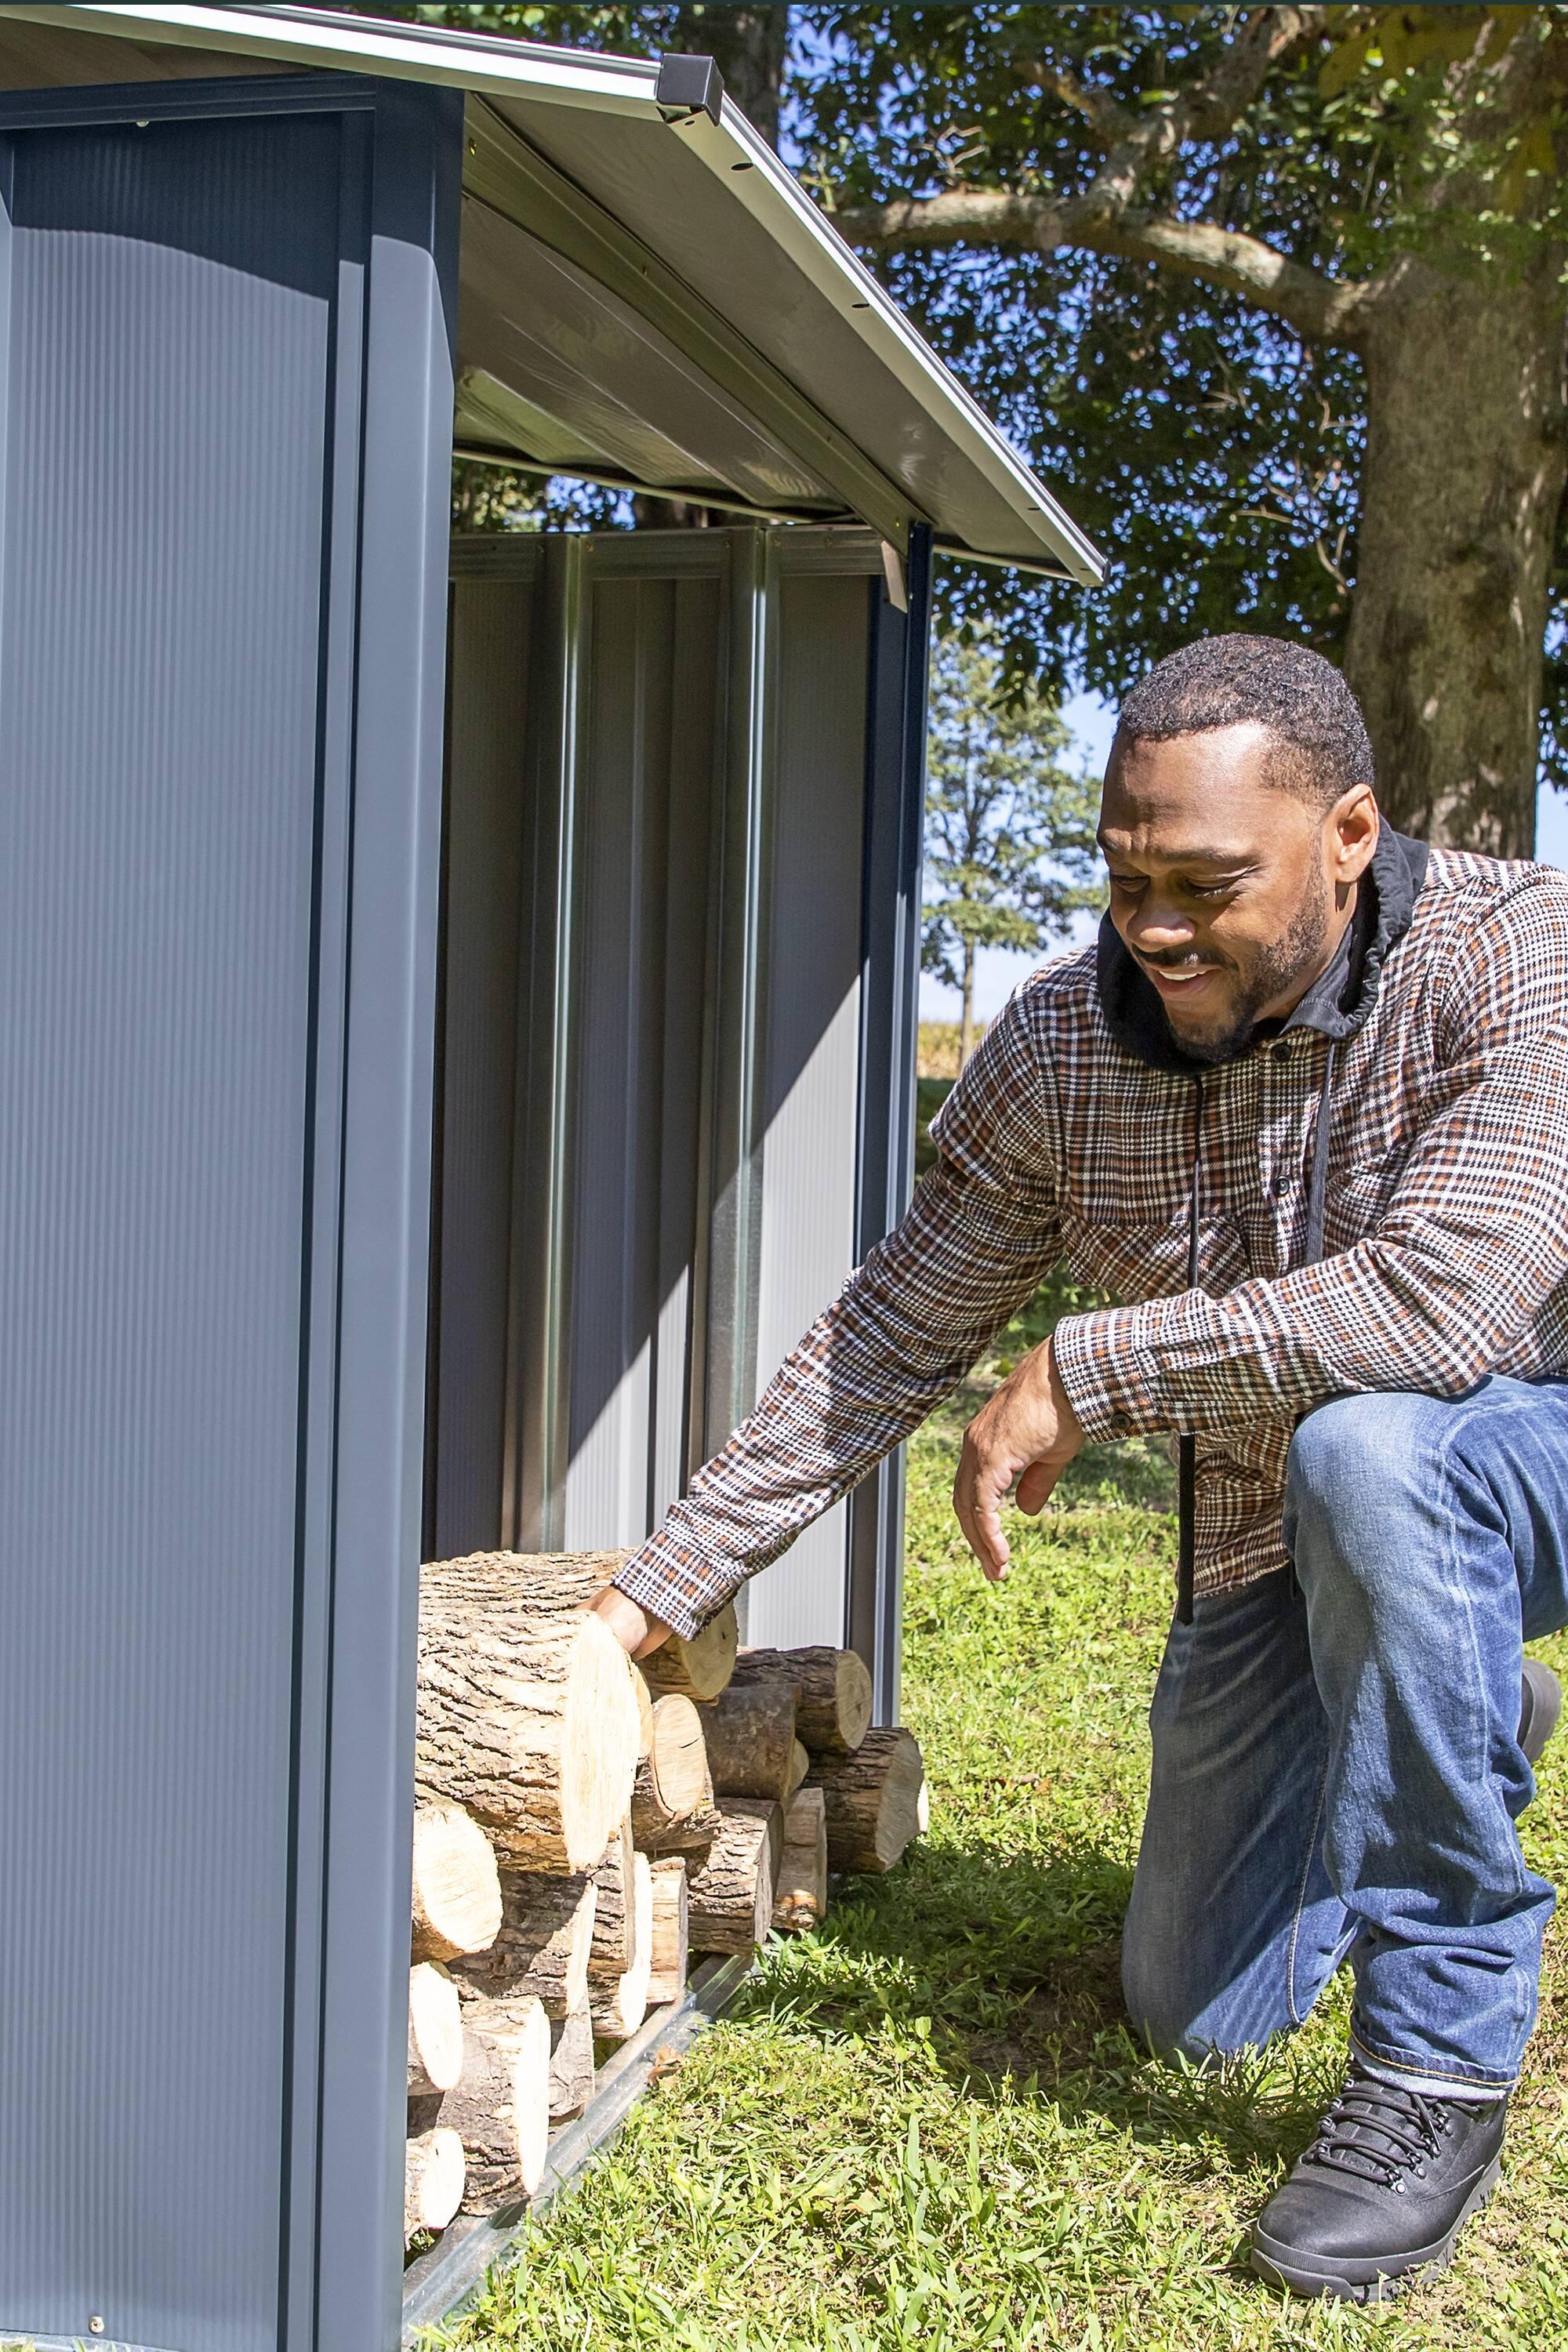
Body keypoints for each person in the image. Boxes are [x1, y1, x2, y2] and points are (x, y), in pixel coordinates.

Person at [590, 633, 1568, 2303]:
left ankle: (1438, 2057)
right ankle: (1430, 1698)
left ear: (1347, 832)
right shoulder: (1059, 1048)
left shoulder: (1520, 956)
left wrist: (1090, 1364)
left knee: (1373, 1447)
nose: (1157, 928)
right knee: (1193, 2007)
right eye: (1126, 879)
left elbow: (1444, 1300)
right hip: (1275, 1532)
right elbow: (887, 1336)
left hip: (1517, 1456)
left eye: (1207, 881)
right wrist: (645, 1598)